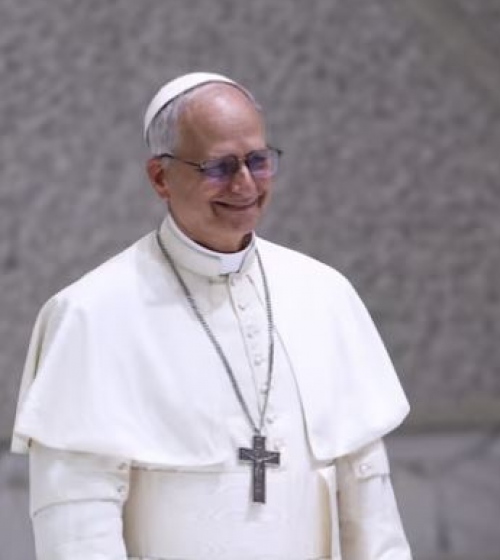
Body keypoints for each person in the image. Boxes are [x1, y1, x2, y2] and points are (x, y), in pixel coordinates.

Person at [10, 72, 413, 560]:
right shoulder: (91, 315)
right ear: (160, 177)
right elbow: (76, 525)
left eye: (258, 161)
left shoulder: (325, 294)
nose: (245, 184)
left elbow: (369, 499)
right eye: (219, 167)